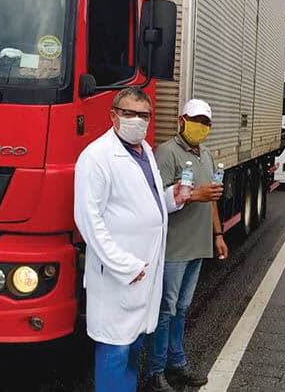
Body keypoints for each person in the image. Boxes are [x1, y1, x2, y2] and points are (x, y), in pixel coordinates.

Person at [74, 88, 185, 392]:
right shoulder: (96, 157)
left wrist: (171, 199)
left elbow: (142, 203)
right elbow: (88, 219)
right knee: (115, 349)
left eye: (143, 115)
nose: (136, 120)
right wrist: (123, 265)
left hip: (143, 272)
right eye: (128, 113)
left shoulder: (145, 151)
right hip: (118, 275)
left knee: (133, 346)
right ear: (113, 115)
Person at [144, 99, 228, 392]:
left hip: (198, 245)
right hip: (174, 248)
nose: (200, 127)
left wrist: (218, 235)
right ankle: (155, 371)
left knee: (181, 308)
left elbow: (212, 199)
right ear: (182, 120)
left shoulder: (205, 155)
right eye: (196, 120)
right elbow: (153, 202)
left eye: (206, 122)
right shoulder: (166, 153)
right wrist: (194, 195)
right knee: (165, 310)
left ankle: (176, 364)